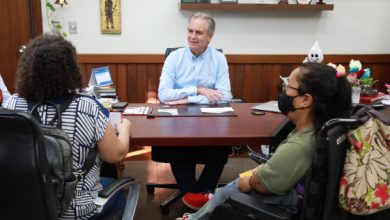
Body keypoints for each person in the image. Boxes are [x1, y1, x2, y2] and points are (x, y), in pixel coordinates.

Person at [176, 62, 352, 220]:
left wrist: (251, 181)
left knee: (227, 191)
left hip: (284, 202)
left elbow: (264, 183)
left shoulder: (299, 146)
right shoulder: (317, 129)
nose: (283, 92)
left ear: (305, 100)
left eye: (287, 86)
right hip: (291, 188)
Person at [5, 34, 131, 220]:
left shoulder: (13, 106)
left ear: (27, 69)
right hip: (77, 209)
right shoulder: (86, 107)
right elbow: (115, 155)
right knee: (118, 192)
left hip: (27, 206)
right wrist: (125, 128)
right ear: (70, 69)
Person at [155, 12, 232, 210]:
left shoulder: (219, 59)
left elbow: (225, 96)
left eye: (199, 32)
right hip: (177, 124)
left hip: (210, 124)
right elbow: (163, 95)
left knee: (221, 146)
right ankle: (196, 198)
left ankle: (200, 195)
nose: (192, 36)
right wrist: (198, 90)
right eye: (190, 31)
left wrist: (185, 99)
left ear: (210, 37)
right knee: (177, 145)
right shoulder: (174, 58)